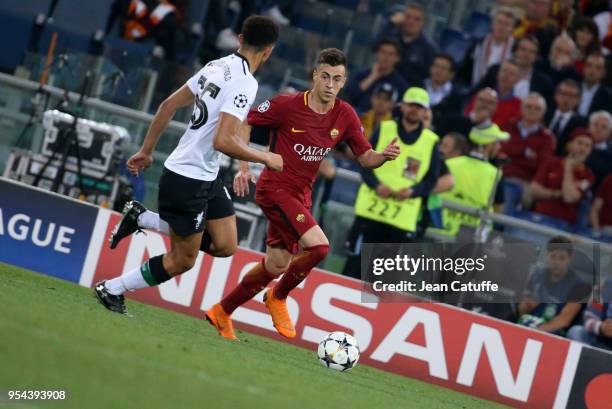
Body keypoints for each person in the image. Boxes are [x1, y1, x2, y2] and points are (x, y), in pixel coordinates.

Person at [205, 48, 401, 340]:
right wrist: (245, 165)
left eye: (337, 79)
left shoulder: (345, 114)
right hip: (275, 189)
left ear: (344, 82)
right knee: (320, 248)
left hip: (301, 195)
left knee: (276, 264)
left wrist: (383, 157)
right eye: (325, 76)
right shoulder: (287, 105)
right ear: (314, 76)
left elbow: (365, 157)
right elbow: (245, 122)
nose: (330, 84)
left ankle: (222, 311)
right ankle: (278, 297)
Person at [94, 16, 281, 315]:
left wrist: (146, 150)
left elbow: (167, 105)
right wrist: (264, 157)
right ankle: (112, 289)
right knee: (183, 259)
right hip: (188, 179)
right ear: (269, 51)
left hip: (205, 174)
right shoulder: (246, 82)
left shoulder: (215, 66)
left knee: (226, 244)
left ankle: (143, 219)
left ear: (239, 38)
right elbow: (223, 141)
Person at [342, 87, 442, 279]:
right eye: (411, 105)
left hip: (401, 219)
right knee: (354, 267)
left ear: (425, 112)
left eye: (419, 107)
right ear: (402, 106)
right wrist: (376, 186)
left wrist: (412, 192)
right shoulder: (385, 128)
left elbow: (431, 180)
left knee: (383, 278)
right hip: (371, 210)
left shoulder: (431, 141)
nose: (414, 110)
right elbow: (364, 160)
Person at [430, 124, 507, 237]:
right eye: (496, 143)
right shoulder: (495, 174)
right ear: (489, 145)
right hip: (470, 240)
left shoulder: (450, 163)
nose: (499, 147)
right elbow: (498, 210)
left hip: (438, 231)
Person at [518, 236, 591, 334]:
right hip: (530, 324)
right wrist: (527, 306)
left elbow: (564, 320)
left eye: (561, 258)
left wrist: (535, 332)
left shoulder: (581, 287)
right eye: (553, 256)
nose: (556, 262)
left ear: (569, 259)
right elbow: (521, 311)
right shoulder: (536, 274)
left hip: (555, 333)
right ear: (547, 256)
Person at [499, 93, 555, 215]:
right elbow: (500, 150)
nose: (532, 111)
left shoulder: (547, 138)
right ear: (522, 108)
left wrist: (512, 153)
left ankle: (498, 229)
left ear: (543, 113)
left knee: (508, 191)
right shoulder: (508, 126)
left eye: (537, 108)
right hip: (499, 174)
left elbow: (543, 165)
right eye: (529, 106)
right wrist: (523, 152)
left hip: (525, 181)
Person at [531, 129, 595, 227]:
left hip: (564, 224)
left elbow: (569, 197)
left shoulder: (588, 175)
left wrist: (568, 168)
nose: (583, 148)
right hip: (540, 216)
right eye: (580, 143)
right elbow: (534, 189)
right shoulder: (552, 162)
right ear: (570, 145)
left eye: (587, 146)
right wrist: (556, 194)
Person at [475, 36, 553, 101]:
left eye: (532, 51)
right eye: (523, 49)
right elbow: (477, 93)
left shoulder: (543, 82)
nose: (526, 54)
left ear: (536, 57)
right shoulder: (495, 70)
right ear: (515, 51)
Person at [378, 2, 438, 85]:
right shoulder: (391, 38)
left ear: (423, 22)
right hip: (383, 86)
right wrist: (390, 24)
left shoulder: (428, 48)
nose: (410, 22)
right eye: (407, 17)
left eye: (416, 19)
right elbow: (375, 46)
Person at [345, 39, 407, 114]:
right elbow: (348, 97)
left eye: (391, 54)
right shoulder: (362, 74)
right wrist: (373, 77)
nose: (386, 57)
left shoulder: (400, 84)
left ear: (397, 58)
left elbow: (400, 110)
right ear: (377, 53)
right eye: (383, 52)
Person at [460, 6, 517, 86]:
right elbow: (464, 71)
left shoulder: (516, 49)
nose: (502, 27)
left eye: (507, 24)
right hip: (475, 89)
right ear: (492, 24)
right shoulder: (479, 44)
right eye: (499, 22)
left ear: (512, 29)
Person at [465, 59, 523, 126]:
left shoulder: (519, 106)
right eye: (504, 70)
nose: (506, 75)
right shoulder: (482, 97)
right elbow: (467, 117)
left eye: (511, 73)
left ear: (518, 79)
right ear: (498, 73)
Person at [421, 53, 466, 131]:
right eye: (436, 66)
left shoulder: (455, 97)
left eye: (443, 68)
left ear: (451, 74)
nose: (438, 70)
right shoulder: (418, 86)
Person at [567, 278, 612, 350]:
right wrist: (601, 327)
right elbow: (589, 320)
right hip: (599, 341)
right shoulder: (604, 286)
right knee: (576, 331)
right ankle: (586, 359)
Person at [545, 79, 587, 155]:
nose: (566, 98)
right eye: (563, 94)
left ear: (578, 100)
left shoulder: (582, 123)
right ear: (556, 95)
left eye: (571, 95)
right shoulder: (544, 113)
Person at [578, 52, 612, 117]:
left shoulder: (608, 97)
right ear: (583, 68)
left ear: (604, 72)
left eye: (598, 67)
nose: (592, 70)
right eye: (589, 65)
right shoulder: (572, 87)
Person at [586, 110, 612, 189]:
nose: (598, 129)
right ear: (588, 127)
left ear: (610, 133)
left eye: (603, 127)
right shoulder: (575, 145)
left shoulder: (610, 158)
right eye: (595, 125)